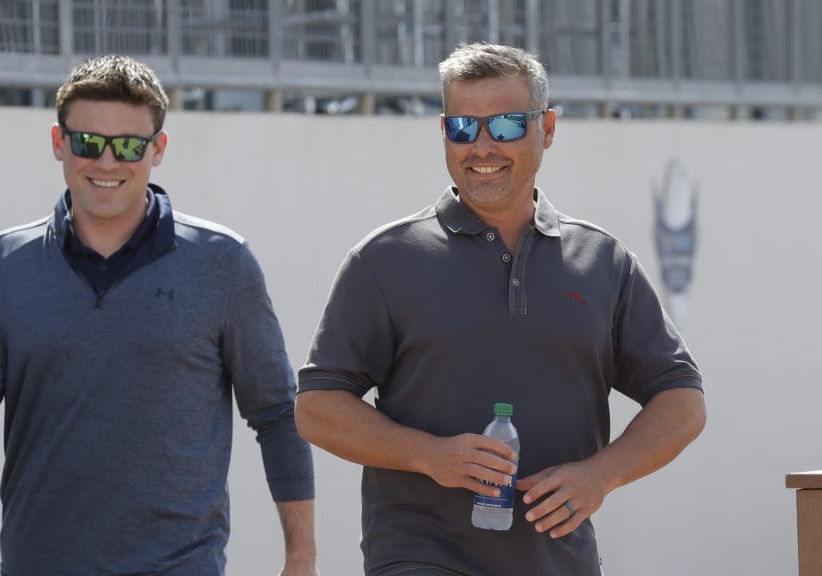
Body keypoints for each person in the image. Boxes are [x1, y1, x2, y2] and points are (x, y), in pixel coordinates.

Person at [0, 55, 318, 576]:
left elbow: (277, 414)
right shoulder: (2, 266)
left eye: (130, 145)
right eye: (89, 142)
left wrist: (301, 558)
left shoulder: (223, 263)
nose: (108, 162)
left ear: (158, 149)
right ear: (59, 142)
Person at [295, 42, 706, 576]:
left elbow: (682, 400)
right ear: (444, 132)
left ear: (547, 128)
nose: (482, 146)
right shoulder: (384, 260)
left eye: (507, 125)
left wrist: (602, 475)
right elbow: (317, 406)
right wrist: (429, 455)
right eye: (463, 127)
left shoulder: (603, 261)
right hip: (421, 558)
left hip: (562, 562)